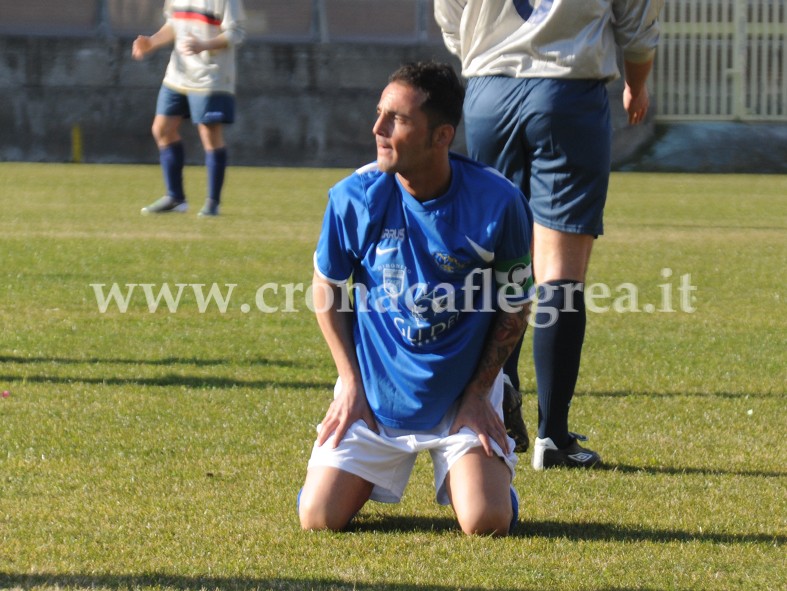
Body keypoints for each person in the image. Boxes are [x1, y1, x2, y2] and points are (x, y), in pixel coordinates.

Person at [298, 62, 535, 536]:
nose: (378, 129)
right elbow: (326, 288)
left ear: (441, 135)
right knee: (318, 519)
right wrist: (349, 382)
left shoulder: (498, 202)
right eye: (380, 113)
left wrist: (476, 393)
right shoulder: (355, 196)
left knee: (486, 523)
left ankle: (495, 413)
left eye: (398, 120)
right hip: (377, 389)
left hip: (460, 389)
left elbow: (516, 303)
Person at [435, 0, 664, 469]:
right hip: (566, 93)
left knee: (500, 263)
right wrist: (636, 87)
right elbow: (637, 28)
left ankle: (498, 400)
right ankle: (552, 438)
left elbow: (450, 18)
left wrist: (485, 60)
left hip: (487, 93)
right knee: (561, 273)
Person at [132, 0, 246, 217]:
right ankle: (175, 198)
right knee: (162, 129)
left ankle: (212, 204)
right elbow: (173, 24)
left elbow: (236, 33)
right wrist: (152, 42)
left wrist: (204, 45)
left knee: (209, 133)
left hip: (211, 75)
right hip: (178, 74)